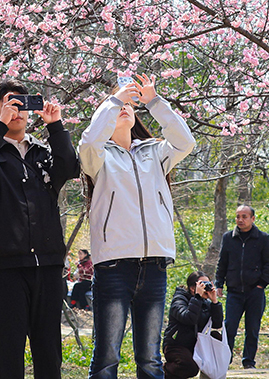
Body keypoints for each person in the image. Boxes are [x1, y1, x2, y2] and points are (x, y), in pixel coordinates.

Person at [80, 74, 196, 379]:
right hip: (114, 265)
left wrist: (154, 102)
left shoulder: (156, 152)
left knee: (150, 359)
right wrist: (115, 99)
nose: (123, 108)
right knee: (106, 359)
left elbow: (186, 141)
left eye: (129, 106)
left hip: (155, 265)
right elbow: (89, 140)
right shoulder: (99, 157)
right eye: (118, 105)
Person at [0, 79, 80, 379]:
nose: (17, 111)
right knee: (10, 351)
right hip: (6, 267)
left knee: (49, 350)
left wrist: (55, 126)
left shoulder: (42, 152)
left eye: (21, 104)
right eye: (9, 105)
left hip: (48, 264)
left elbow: (69, 168)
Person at [214, 204, 269, 368]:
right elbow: (222, 263)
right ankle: (224, 361)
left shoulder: (262, 238)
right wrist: (219, 283)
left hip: (255, 292)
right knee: (229, 327)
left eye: (244, 216)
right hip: (234, 292)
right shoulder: (228, 238)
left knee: (252, 328)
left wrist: (262, 284)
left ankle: (248, 361)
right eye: (237, 216)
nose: (240, 220)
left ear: (252, 218)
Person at [162, 271, 223, 379]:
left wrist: (214, 302)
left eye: (208, 284)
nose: (206, 287)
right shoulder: (179, 300)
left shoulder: (205, 303)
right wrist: (197, 297)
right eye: (202, 284)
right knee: (190, 367)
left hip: (196, 344)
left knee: (217, 337)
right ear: (192, 288)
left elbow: (217, 324)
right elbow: (189, 318)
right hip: (176, 344)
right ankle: (163, 370)